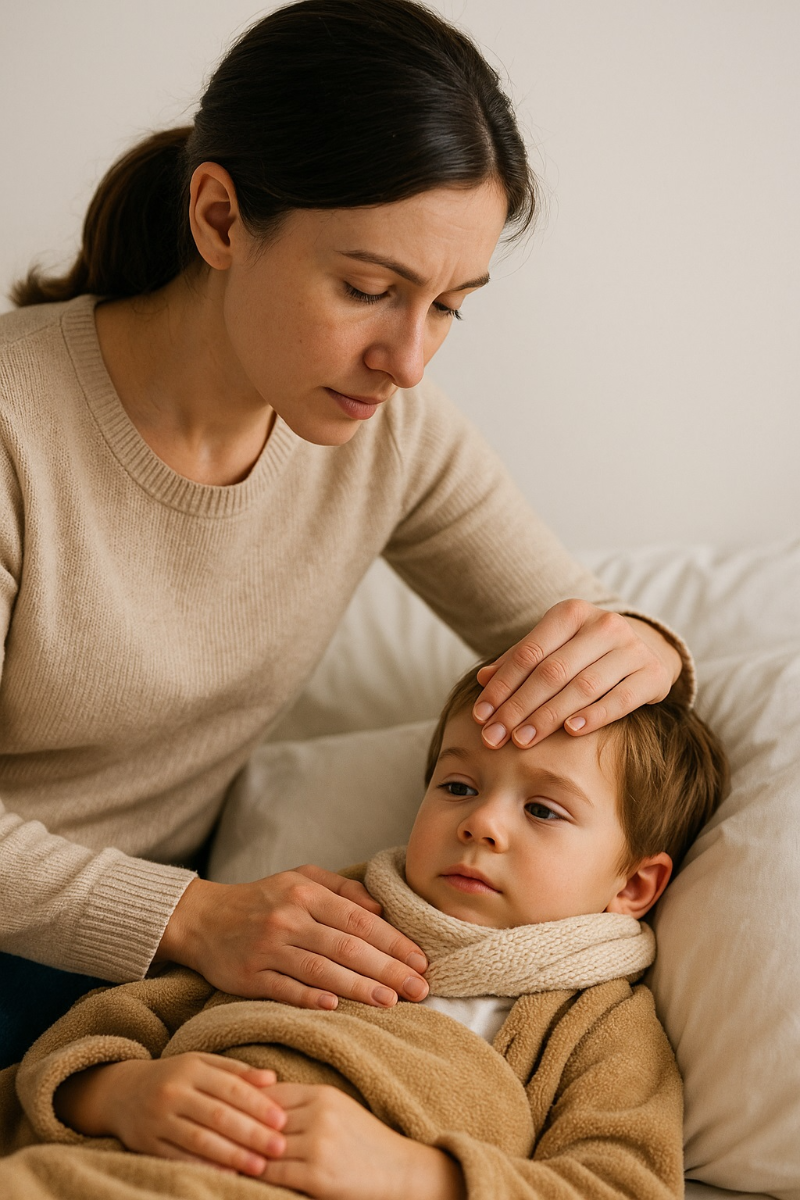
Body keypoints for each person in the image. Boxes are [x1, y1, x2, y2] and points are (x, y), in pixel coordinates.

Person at [0, 0, 692, 1068]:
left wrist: (652, 651)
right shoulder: (17, 432)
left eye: (449, 305)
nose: (407, 361)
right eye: (369, 289)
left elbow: (576, 643)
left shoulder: (391, 432)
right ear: (220, 219)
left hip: (146, 961)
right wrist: (194, 916)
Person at [0, 659, 728, 1200]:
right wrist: (118, 1093)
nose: (481, 821)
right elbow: (82, 1042)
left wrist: (416, 1177)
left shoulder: (599, 1023)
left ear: (634, 886)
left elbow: (622, 1184)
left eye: (543, 809)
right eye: (458, 786)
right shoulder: (316, 917)